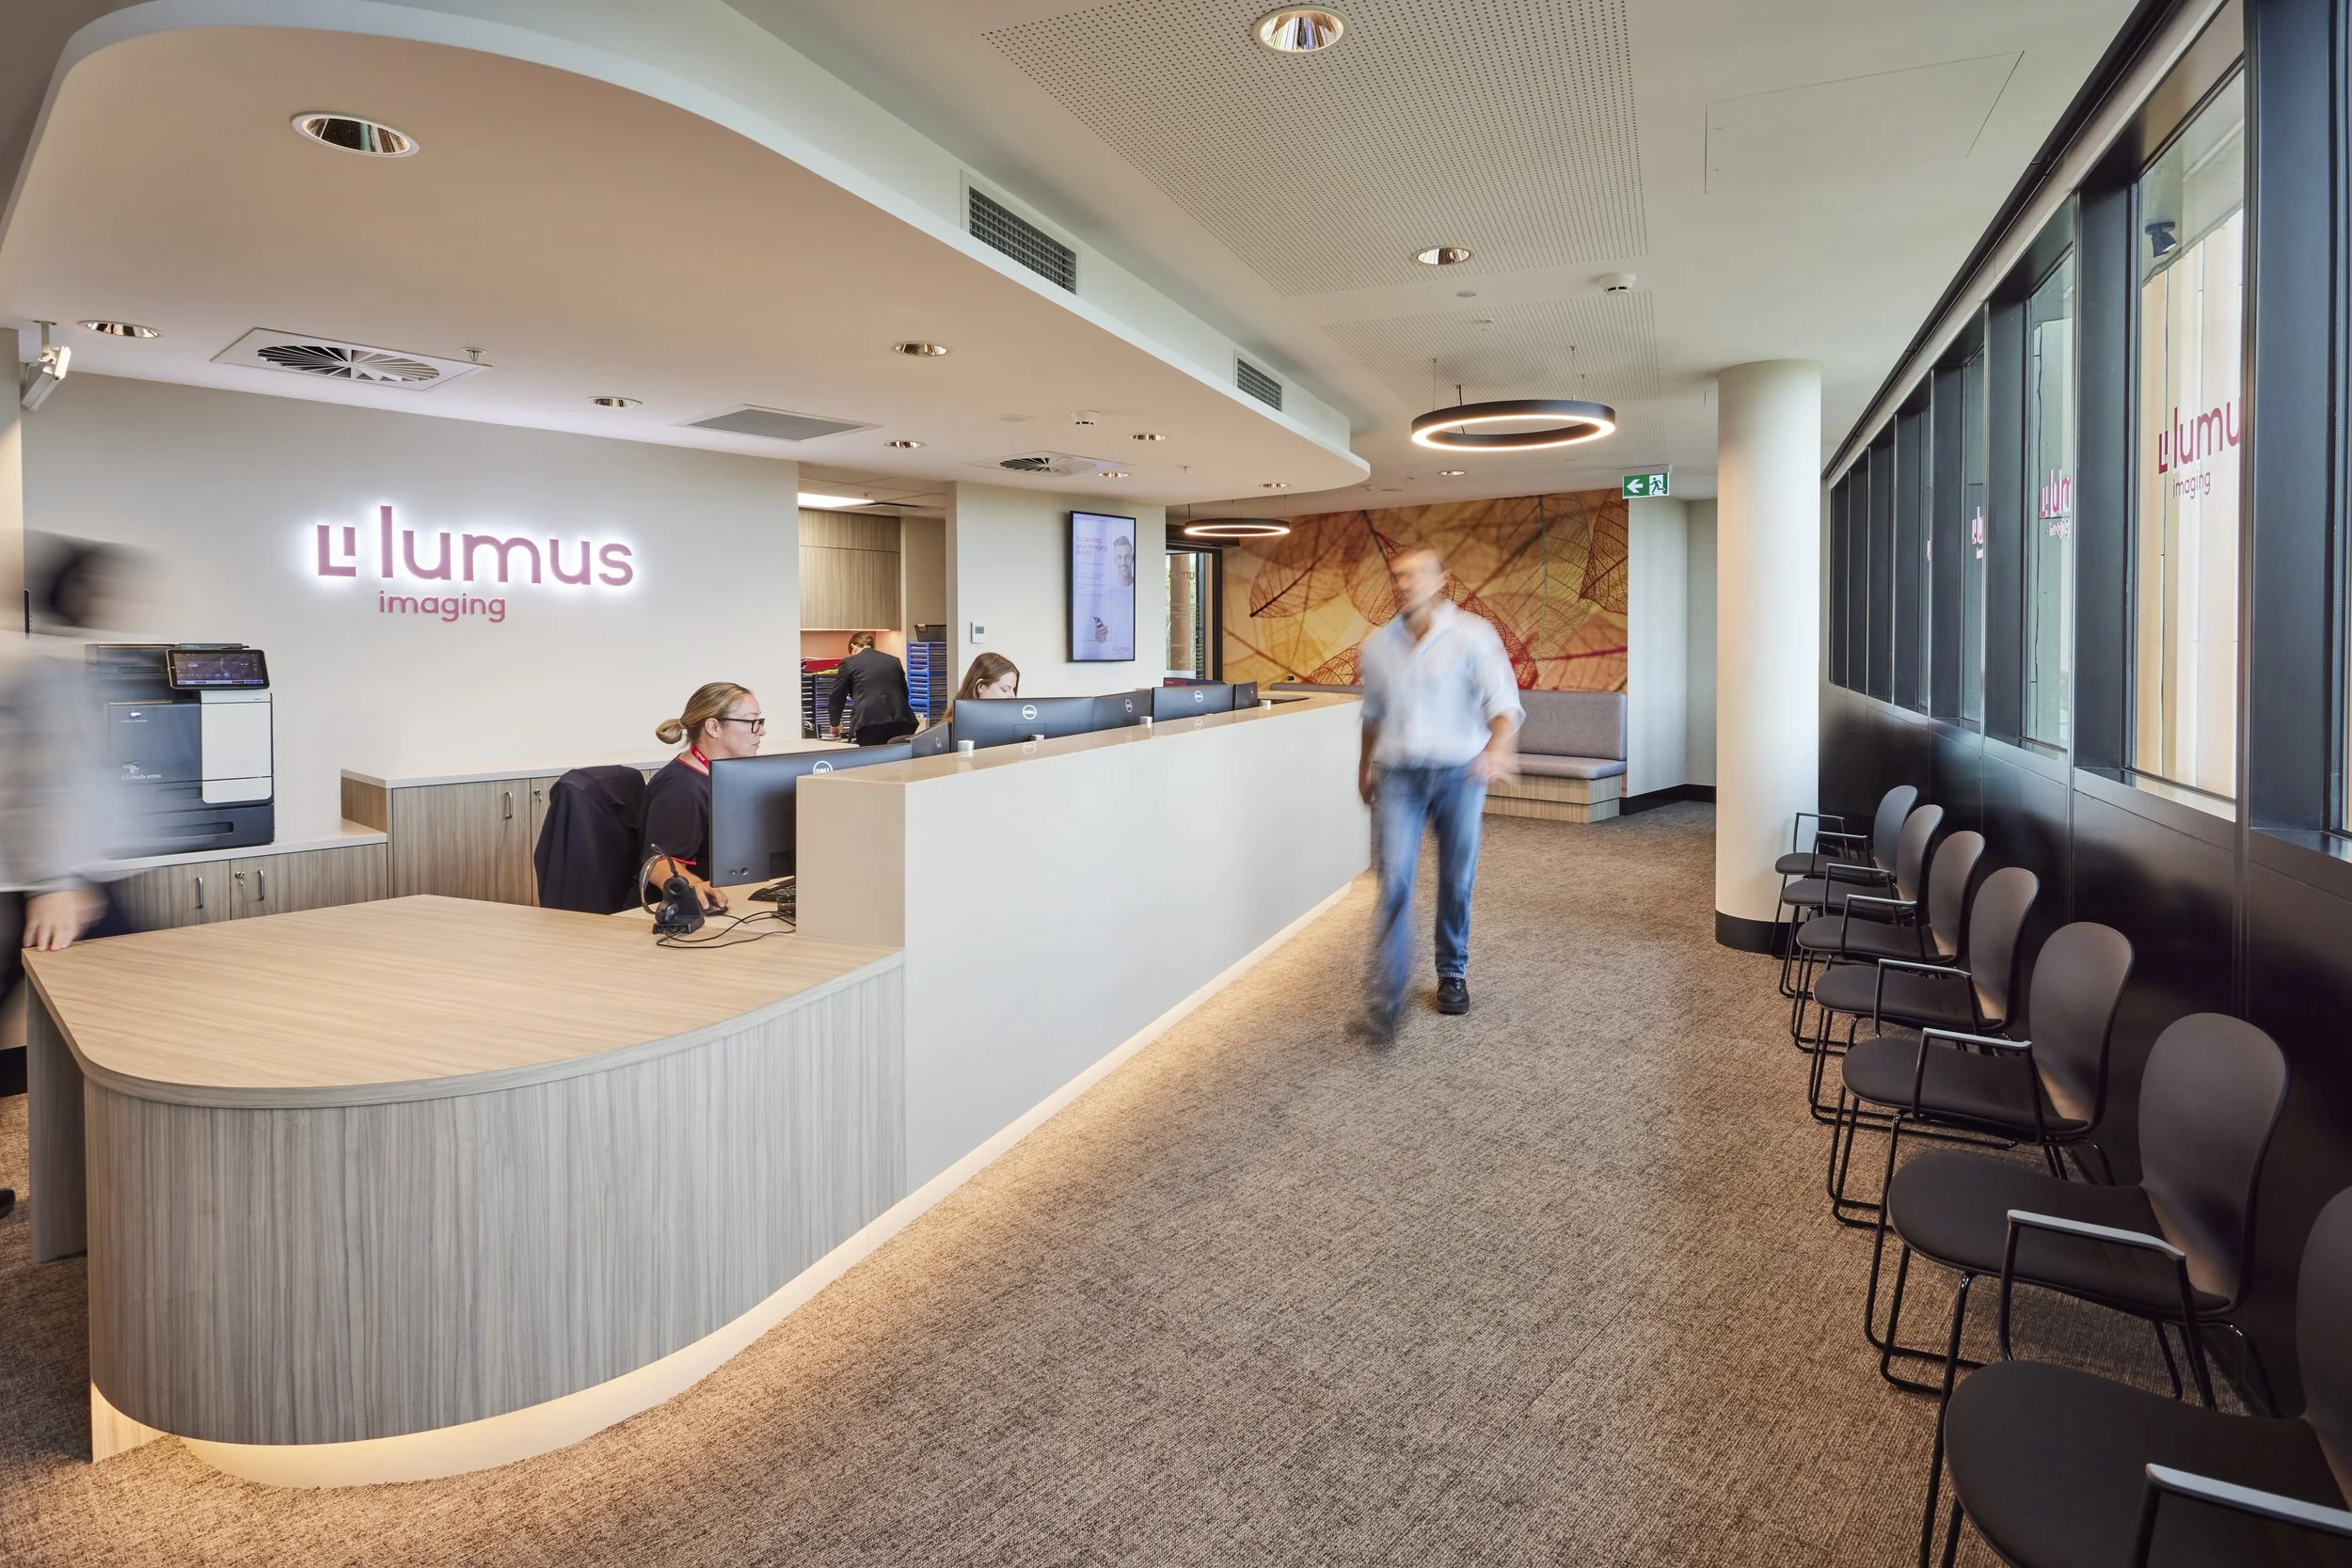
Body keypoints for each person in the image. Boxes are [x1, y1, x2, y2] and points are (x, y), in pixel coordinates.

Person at [2, 543, 138, 1219]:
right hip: (47, 887)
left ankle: (96, 1171)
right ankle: (110, 1174)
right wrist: (57, 879)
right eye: (101, 588)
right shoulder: (44, 675)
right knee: (133, 1014)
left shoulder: (54, 669)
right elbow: (42, 780)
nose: (112, 600)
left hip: (66, 876)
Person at [1357, 545, 1522, 1038]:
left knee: (1456, 880)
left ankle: (1452, 973)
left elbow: (1504, 705)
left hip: (1458, 776)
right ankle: (1388, 997)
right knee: (1395, 881)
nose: (1404, 584)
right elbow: (1373, 715)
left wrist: (1496, 749)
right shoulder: (1377, 646)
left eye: (1414, 575)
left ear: (1440, 579)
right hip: (1399, 776)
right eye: (1397, 576)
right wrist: (1363, 766)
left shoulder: (1473, 635)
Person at [642, 682, 764, 912]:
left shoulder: (722, 775)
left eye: (761, 721)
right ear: (714, 727)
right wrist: (696, 885)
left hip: (736, 895)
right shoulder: (680, 787)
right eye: (752, 722)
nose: (761, 731)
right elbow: (656, 863)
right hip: (699, 908)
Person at [828, 631, 916, 746]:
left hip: (869, 723)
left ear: (853, 647)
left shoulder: (848, 663)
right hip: (902, 721)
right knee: (899, 760)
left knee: (873, 761)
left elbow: (837, 697)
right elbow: (904, 692)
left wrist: (835, 724)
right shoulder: (894, 660)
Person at [943, 652, 1019, 721]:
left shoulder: (1007, 723)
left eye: (1013, 689)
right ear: (980, 686)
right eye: (1004, 689)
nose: (1013, 697)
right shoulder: (951, 729)